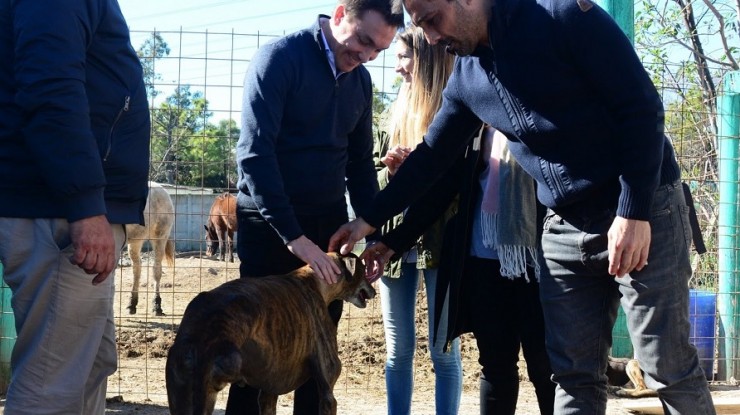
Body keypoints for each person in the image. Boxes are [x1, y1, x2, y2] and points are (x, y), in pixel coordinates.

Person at [329, 0, 717, 414]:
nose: (431, 38)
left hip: (641, 208)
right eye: (421, 26)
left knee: (666, 368)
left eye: (431, 21)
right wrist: (368, 222)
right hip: (564, 226)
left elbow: (641, 107)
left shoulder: (561, 15)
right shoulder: (467, 77)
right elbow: (430, 158)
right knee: (571, 375)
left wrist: (634, 210)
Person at [226, 1, 404, 414]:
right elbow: (254, 156)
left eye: (377, 51)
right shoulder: (280, 59)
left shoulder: (360, 84)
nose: (366, 57)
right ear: (340, 14)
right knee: (255, 354)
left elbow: (360, 166)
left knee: (318, 358)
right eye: (362, 41)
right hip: (270, 226)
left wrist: (373, 233)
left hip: (327, 226)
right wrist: (294, 238)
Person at [0, 0, 151, 413]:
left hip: (66, 205)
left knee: (88, 366)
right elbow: (50, 86)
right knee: (52, 386)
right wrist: (85, 205)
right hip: (59, 211)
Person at [372, 122, 555, 415]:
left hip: (540, 261)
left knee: (547, 366)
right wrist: (391, 241)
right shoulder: (477, 118)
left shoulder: (546, 108)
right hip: (482, 260)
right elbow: (443, 187)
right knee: (495, 366)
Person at [374, 25, 462, 415]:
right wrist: (391, 173)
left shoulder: (455, 110)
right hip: (392, 243)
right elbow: (369, 181)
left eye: (403, 57)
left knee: (443, 351)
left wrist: (425, 173)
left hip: (441, 243)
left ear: (425, 59)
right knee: (397, 351)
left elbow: (464, 183)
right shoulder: (388, 115)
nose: (397, 69)